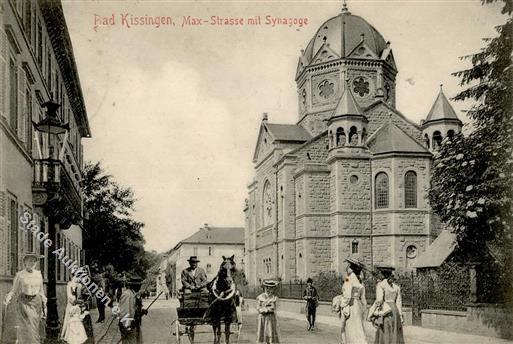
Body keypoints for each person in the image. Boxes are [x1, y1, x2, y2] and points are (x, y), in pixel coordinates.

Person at [3, 252, 46, 344]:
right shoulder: (20, 275)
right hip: (24, 303)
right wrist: (8, 298)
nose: (32, 263)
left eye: (34, 261)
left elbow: (41, 290)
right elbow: (14, 290)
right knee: (26, 327)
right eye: (30, 261)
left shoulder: (38, 274)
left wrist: (44, 302)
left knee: (34, 327)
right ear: (25, 262)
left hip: (36, 303)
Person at [335, 256, 368, 344]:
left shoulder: (349, 278)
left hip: (350, 305)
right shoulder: (360, 280)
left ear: (351, 268)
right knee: (358, 327)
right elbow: (363, 298)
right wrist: (364, 309)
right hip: (358, 305)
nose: (347, 268)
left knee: (350, 327)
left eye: (349, 266)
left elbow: (347, 295)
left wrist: (342, 304)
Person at [372, 265, 405, 344]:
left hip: (386, 309)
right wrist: (400, 315)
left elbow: (379, 300)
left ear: (383, 274)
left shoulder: (380, 285)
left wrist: (375, 311)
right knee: (394, 329)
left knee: (385, 329)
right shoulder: (396, 287)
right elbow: (399, 302)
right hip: (395, 310)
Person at [118, 276, 147, 344]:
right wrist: (128, 327)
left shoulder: (133, 294)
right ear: (134, 286)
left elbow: (133, 310)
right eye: (139, 285)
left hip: (134, 325)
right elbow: (124, 312)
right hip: (129, 326)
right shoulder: (127, 294)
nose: (140, 287)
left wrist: (141, 312)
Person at [256, 280, 280, 344]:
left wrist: (267, 309)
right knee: (262, 332)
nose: (268, 290)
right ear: (264, 288)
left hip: (270, 317)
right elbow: (258, 307)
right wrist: (262, 310)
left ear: (272, 289)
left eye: (270, 288)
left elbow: (274, 308)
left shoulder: (274, 298)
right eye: (267, 288)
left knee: (270, 332)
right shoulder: (260, 297)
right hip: (262, 317)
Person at [61, 275, 82, 342]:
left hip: (76, 305)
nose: (78, 279)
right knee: (68, 319)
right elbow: (69, 297)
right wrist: (74, 299)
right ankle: (66, 336)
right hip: (70, 305)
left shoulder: (79, 285)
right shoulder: (69, 285)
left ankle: (75, 336)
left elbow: (79, 295)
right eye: (76, 277)